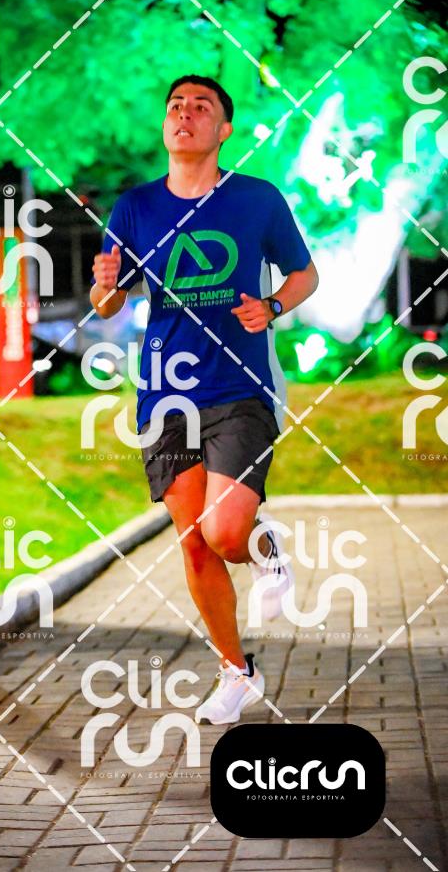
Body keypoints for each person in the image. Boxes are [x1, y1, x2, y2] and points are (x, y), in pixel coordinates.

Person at [90, 74, 318, 724]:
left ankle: (262, 544)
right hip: (165, 394)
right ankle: (236, 671)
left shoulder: (256, 199)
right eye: (175, 106)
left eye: (201, 107)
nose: (184, 114)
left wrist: (272, 306)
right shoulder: (134, 207)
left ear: (223, 129)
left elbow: (305, 273)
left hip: (240, 386)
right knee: (194, 544)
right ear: (166, 125)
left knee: (224, 531)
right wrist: (105, 286)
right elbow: (109, 303)